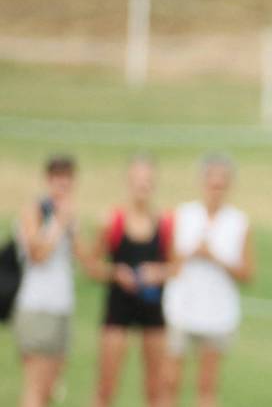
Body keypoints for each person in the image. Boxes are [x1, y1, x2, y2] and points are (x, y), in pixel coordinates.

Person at [161, 154, 254, 407]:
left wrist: (215, 257)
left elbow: (247, 273)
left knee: (207, 386)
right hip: (182, 308)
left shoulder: (239, 222)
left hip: (217, 313)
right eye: (211, 181)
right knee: (170, 381)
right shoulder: (182, 215)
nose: (216, 188)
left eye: (221, 182)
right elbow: (170, 263)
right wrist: (193, 252)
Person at [89, 154, 172, 407]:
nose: (142, 185)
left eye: (147, 180)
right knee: (106, 386)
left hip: (153, 307)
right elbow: (93, 266)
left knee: (157, 389)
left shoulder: (165, 223)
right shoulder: (113, 221)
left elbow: (176, 266)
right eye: (138, 179)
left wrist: (157, 273)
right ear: (128, 181)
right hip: (118, 306)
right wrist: (117, 273)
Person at [12, 155, 82, 407]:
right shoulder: (35, 210)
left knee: (51, 388)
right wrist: (59, 223)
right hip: (37, 307)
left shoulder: (70, 215)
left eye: (68, 179)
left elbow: (82, 259)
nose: (63, 185)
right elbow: (38, 254)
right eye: (58, 178)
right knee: (35, 387)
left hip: (62, 307)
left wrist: (72, 228)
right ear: (49, 180)